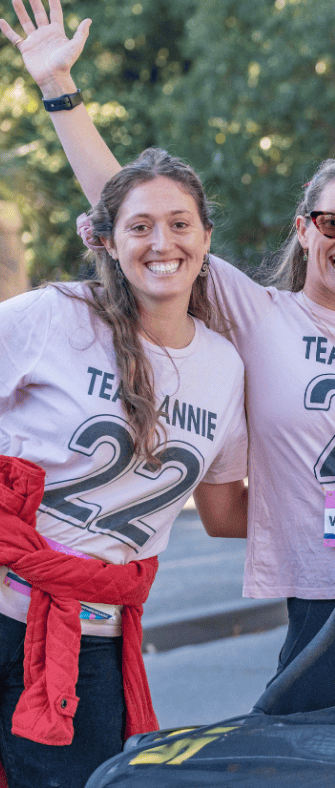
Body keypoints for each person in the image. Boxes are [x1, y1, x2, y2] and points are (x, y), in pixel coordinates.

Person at [1, 0, 335, 713]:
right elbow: (145, 218)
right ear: (303, 230)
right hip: (332, 596)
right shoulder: (257, 314)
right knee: (314, 758)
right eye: (333, 222)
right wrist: (60, 92)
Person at [0, 148, 248, 788]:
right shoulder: (53, 315)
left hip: (90, 639)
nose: (162, 243)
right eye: (140, 226)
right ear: (108, 241)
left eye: (179, 224)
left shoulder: (224, 367)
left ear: (206, 238)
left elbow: (225, 512)